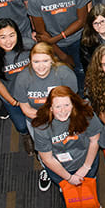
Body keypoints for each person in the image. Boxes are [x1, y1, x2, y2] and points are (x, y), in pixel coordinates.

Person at [32, 86, 104, 208]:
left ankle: (93, 203)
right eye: (58, 106)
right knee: (66, 189)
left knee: (89, 182)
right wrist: (69, 177)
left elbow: (94, 140)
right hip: (60, 168)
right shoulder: (41, 126)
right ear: (50, 108)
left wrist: (85, 167)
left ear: (73, 104)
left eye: (67, 105)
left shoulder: (85, 112)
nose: (63, 110)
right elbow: (47, 159)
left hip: (86, 161)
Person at [13, 42, 78, 191]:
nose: (40, 66)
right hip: (37, 122)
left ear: (52, 60)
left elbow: (73, 101)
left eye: (45, 61)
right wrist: (49, 118)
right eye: (36, 61)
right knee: (44, 151)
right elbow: (26, 108)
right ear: (30, 61)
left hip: (65, 118)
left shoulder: (64, 74)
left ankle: (70, 169)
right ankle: (48, 170)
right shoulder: (23, 78)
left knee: (66, 145)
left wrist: (60, 116)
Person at [28, 0, 91, 83]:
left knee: (82, 72)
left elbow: (81, 21)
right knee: (60, 78)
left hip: (78, 39)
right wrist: (62, 55)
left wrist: (55, 38)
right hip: (54, 46)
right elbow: (41, 32)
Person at [0, 19, 35, 152]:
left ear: (18, 34)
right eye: (3, 37)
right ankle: (26, 136)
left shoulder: (29, 46)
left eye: (12, 35)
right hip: (12, 96)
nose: (8, 41)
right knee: (21, 125)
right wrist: (13, 101)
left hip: (33, 91)